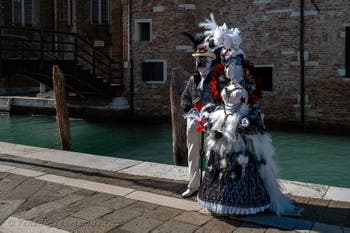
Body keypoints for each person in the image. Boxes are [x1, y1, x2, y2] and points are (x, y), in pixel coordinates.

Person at [180, 44, 228, 198]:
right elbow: (185, 97)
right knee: (193, 153)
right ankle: (193, 185)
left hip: (211, 123)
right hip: (194, 121)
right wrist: (189, 110)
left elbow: (225, 100)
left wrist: (213, 114)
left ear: (210, 61)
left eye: (204, 60)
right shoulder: (193, 79)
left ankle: (211, 186)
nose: (200, 64)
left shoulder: (218, 80)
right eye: (198, 61)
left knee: (211, 154)